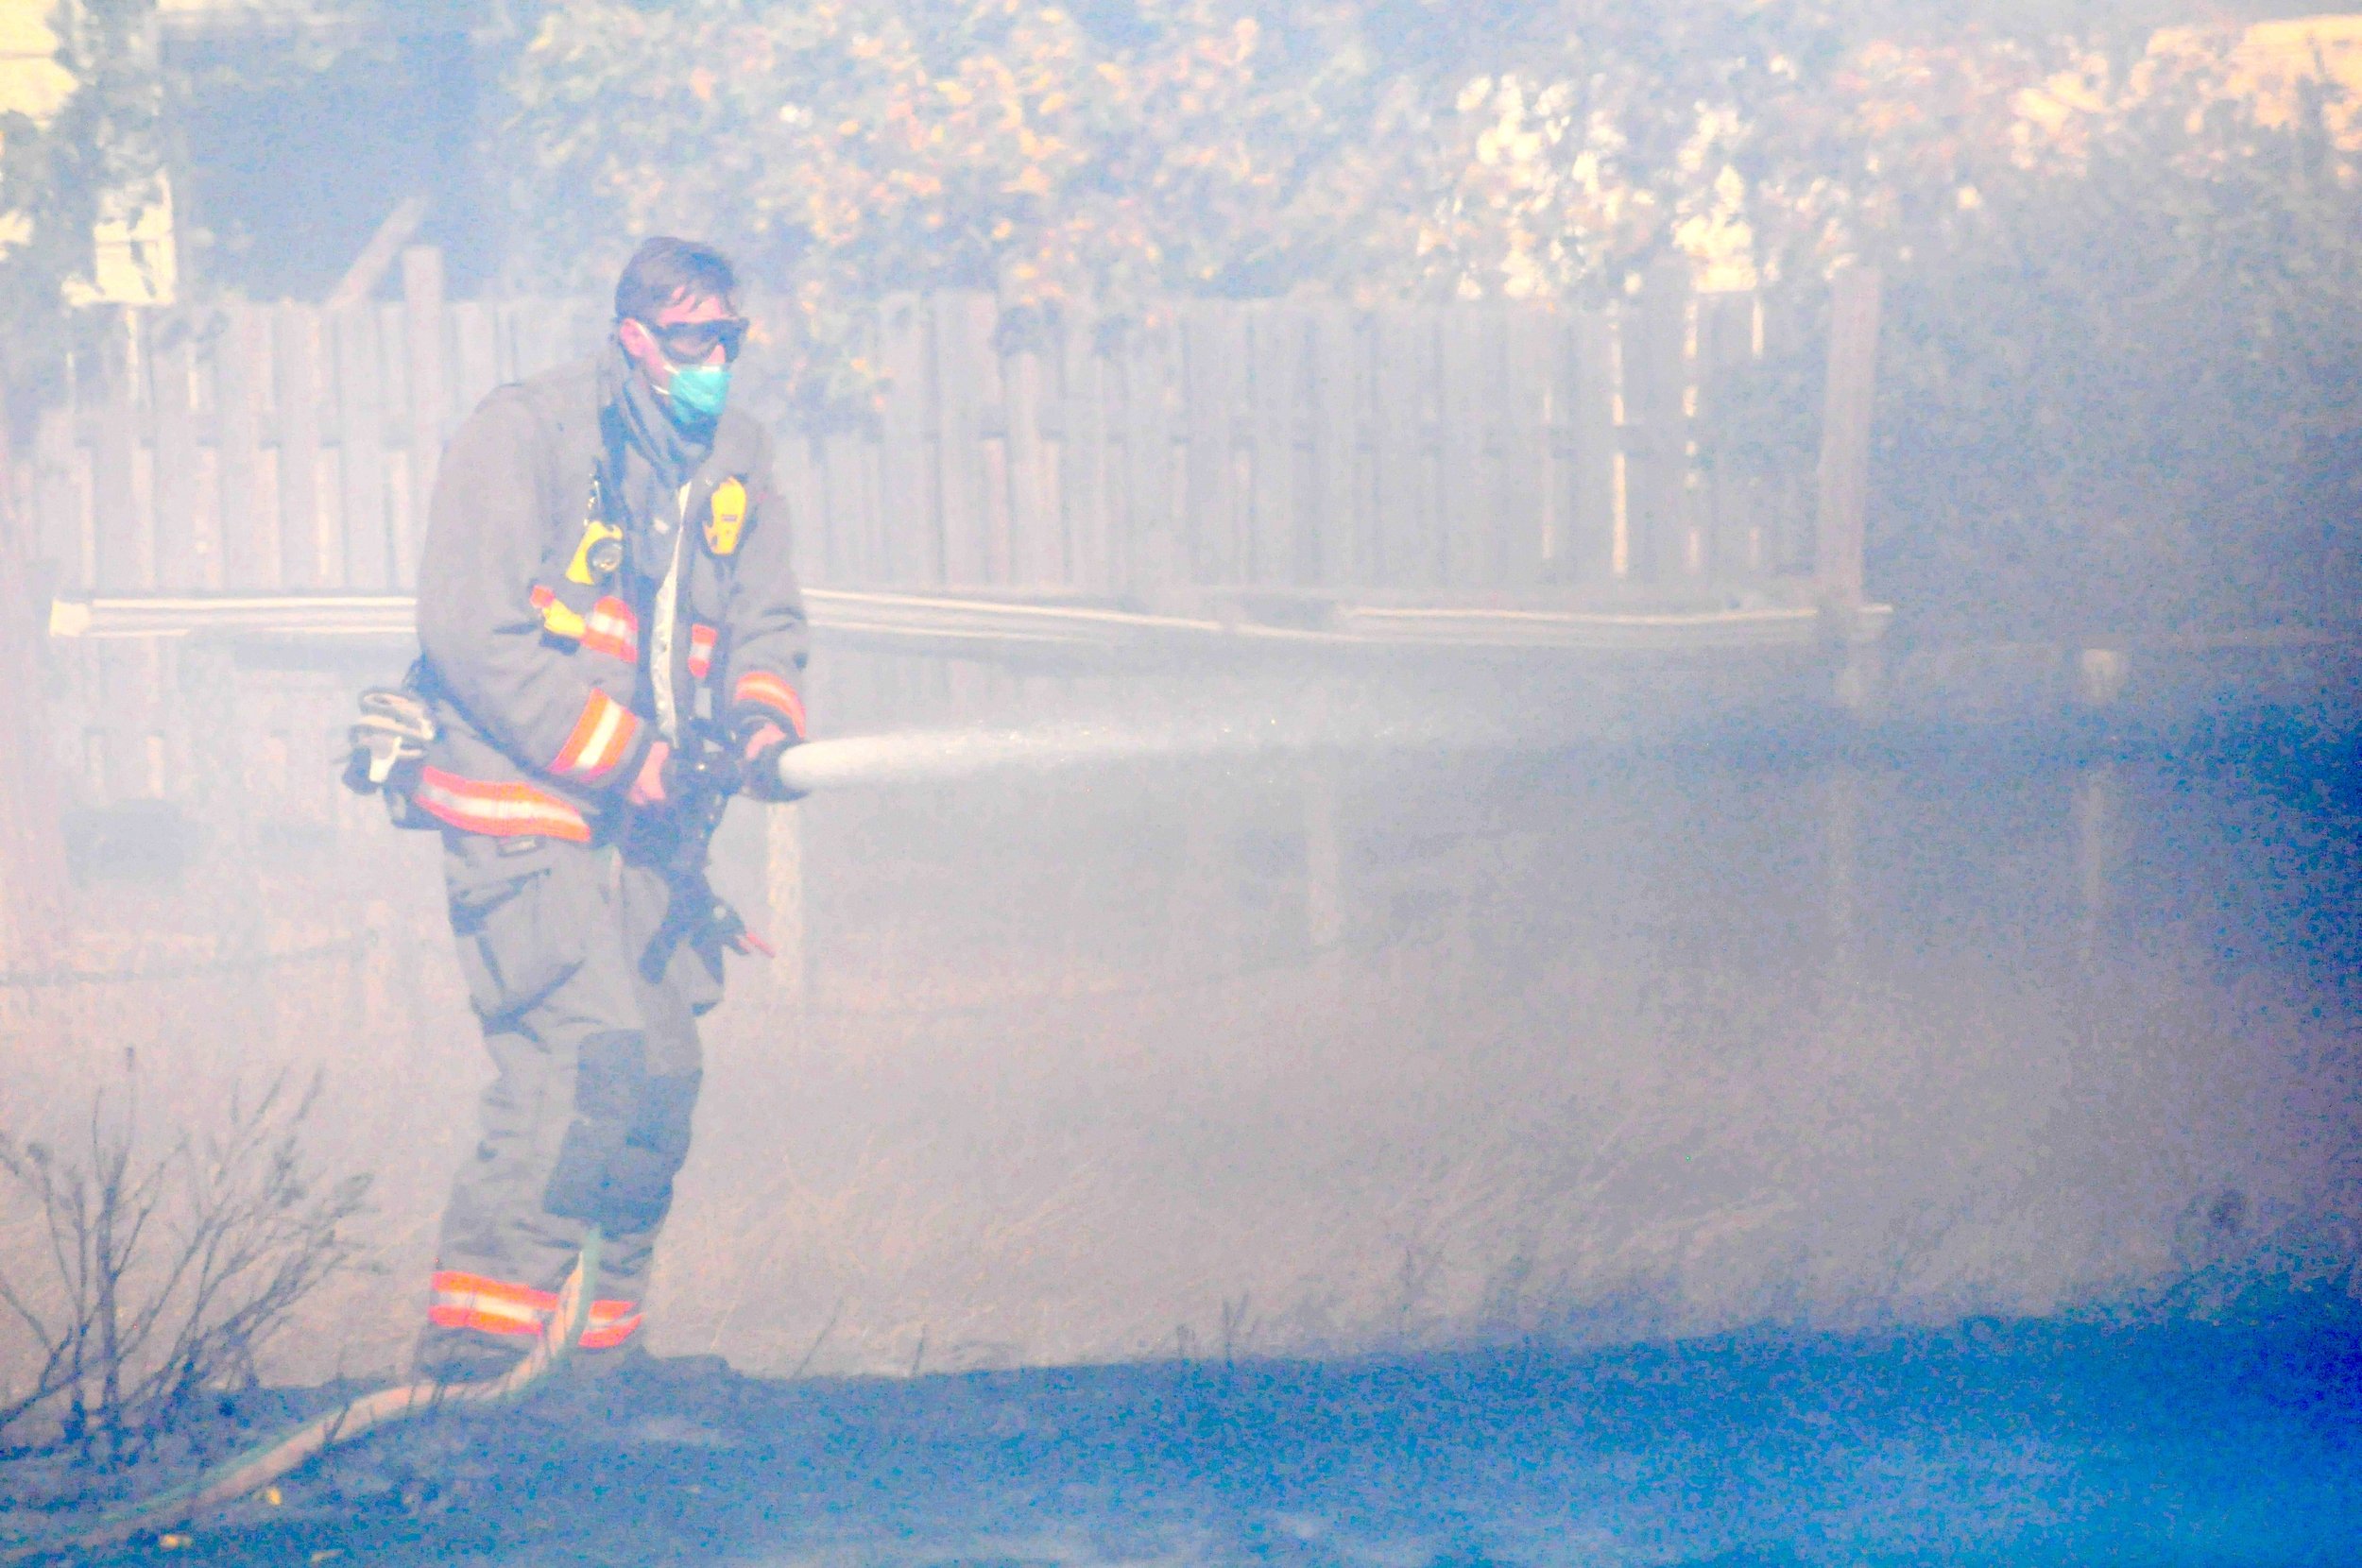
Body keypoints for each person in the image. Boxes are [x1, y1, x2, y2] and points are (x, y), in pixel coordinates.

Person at [405, 237, 808, 1379]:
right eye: (693, 341)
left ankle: (599, 1366)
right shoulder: (523, 434)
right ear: (633, 335)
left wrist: (763, 721)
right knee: (583, 1064)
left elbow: (767, 622)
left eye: (728, 339)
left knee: (662, 1075)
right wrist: (621, 750)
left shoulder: (737, 454)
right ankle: (475, 1367)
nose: (715, 361)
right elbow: (470, 631)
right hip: (523, 806)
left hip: (651, 832)